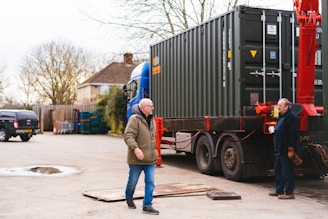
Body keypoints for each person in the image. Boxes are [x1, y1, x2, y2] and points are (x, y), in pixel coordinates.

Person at [124, 98, 159, 215]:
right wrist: (135, 148)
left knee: (150, 182)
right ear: (144, 108)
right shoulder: (134, 119)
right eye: (151, 106)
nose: (152, 108)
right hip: (136, 159)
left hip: (150, 159)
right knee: (132, 182)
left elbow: (153, 138)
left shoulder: (152, 120)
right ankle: (129, 197)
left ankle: (147, 205)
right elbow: (128, 136)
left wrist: (155, 153)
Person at [269, 98, 300, 199]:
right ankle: (279, 190)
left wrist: (291, 148)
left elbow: (293, 134)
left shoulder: (292, 118)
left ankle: (289, 192)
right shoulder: (281, 117)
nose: (278, 108)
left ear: (286, 107)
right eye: (278, 106)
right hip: (280, 149)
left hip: (286, 149)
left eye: (280, 106)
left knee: (287, 171)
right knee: (278, 169)